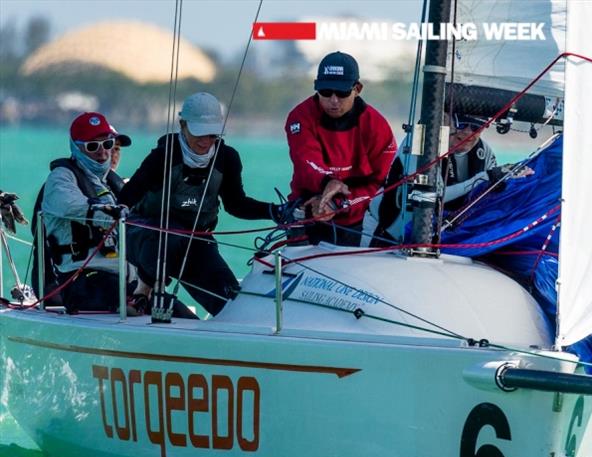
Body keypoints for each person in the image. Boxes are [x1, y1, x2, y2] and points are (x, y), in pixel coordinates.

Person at [118, 92, 280, 317]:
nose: (205, 141)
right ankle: (143, 291)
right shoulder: (163, 156)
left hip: (195, 240)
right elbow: (128, 195)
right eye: (199, 134)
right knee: (172, 234)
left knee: (231, 304)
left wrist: (275, 211)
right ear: (182, 125)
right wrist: (114, 209)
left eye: (212, 134)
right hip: (148, 237)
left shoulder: (227, 158)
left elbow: (236, 204)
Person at [285, 51, 396, 246]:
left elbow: (382, 183)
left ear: (357, 88)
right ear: (316, 88)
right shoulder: (300, 117)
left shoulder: (377, 126)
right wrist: (328, 182)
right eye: (326, 92)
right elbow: (306, 162)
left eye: (342, 92)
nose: (333, 100)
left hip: (359, 222)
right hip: (308, 213)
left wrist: (339, 203)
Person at [36, 112, 130, 313]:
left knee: (170, 305)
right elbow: (72, 206)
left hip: (121, 275)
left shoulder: (113, 184)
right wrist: (108, 213)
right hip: (80, 279)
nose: (104, 153)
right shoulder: (60, 179)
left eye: (108, 144)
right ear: (76, 147)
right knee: (132, 298)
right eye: (92, 146)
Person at [363, 113, 501, 246]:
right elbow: (428, 196)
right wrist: (480, 179)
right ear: (445, 119)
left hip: (435, 237)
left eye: (477, 127)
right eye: (462, 124)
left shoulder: (484, 151)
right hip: (385, 229)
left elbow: (492, 191)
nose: (468, 133)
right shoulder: (421, 140)